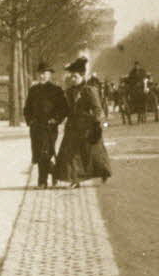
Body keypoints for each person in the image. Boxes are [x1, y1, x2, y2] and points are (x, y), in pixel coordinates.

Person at [53, 58, 111, 187]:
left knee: (94, 153)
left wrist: (97, 125)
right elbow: (65, 110)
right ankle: (74, 179)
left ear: (82, 76)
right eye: (71, 77)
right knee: (70, 153)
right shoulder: (68, 92)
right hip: (72, 126)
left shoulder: (89, 90)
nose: (72, 79)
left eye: (75, 77)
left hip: (87, 127)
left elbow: (97, 109)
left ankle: (103, 172)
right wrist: (56, 120)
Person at [22, 62, 69, 188]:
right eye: (40, 73)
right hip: (36, 127)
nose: (42, 76)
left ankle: (42, 182)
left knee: (45, 153)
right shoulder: (33, 90)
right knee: (38, 155)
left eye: (45, 74)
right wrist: (30, 120)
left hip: (49, 127)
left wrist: (55, 119)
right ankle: (54, 171)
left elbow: (64, 108)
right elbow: (27, 108)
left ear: (50, 75)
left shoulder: (56, 90)